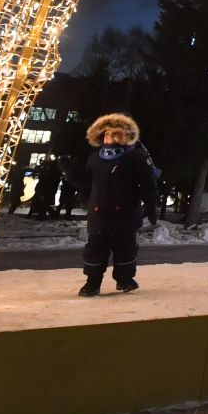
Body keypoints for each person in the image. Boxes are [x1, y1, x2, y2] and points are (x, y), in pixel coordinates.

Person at [76, 112, 158, 296]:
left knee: (125, 248)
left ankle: (124, 280)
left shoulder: (136, 156)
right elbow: (88, 183)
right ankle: (92, 282)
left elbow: (148, 184)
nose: (109, 138)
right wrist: (81, 192)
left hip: (126, 213)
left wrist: (151, 207)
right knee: (95, 248)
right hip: (99, 213)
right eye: (106, 134)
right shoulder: (95, 158)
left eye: (114, 134)